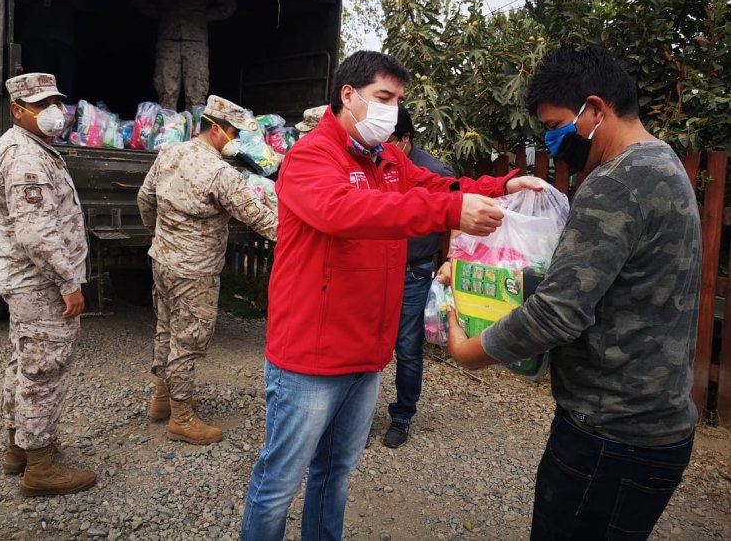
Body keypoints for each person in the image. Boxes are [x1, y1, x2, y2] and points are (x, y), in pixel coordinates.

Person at [240, 50, 542, 540]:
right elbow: (346, 211)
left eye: (398, 100)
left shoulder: (388, 159)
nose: (392, 110)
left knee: (335, 474)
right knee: (279, 483)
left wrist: (502, 185)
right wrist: (448, 212)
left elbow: (442, 183)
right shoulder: (312, 157)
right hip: (310, 357)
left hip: (366, 352)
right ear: (348, 95)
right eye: (384, 97)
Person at [445, 46, 702, 541]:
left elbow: (555, 314)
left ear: (595, 108)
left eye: (556, 125)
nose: (552, 139)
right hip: (652, 424)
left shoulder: (617, 182)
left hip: (609, 434)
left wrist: (468, 352)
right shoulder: (663, 163)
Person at [137, 94, 277, 445]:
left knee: (166, 329)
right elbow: (259, 219)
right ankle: (182, 418)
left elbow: (145, 198)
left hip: (163, 261)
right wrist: (301, 232)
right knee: (188, 340)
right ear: (216, 129)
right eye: (234, 132)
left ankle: (162, 398)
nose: (237, 139)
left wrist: (160, 235)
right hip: (195, 271)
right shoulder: (221, 173)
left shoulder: (169, 153)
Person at [0, 72, 95, 497]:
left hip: (30, 283)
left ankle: (18, 448)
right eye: (41, 105)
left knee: (24, 362)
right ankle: (40, 467)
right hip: (41, 285)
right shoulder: (25, 158)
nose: (53, 111)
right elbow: (37, 234)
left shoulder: (28, 147)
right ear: (17, 110)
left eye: (55, 102)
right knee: (44, 370)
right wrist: (69, 283)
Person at [379, 105, 454, 448]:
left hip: (414, 271)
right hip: (376, 270)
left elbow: (456, 216)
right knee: (366, 342)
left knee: (408, 347)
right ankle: (355, 416)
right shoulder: (375, 165)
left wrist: (450, 260)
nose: (380, 147)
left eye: (388, 140)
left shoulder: (433, 171)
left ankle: (402, 415)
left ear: (405, 138)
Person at [133, 0, 236, 111]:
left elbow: (228, 4)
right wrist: (160, 14)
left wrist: (204, 17)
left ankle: (194, 126)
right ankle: (168, 126)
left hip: (196, 40)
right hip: (168, 39)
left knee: (196, 92)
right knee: (166, 91)